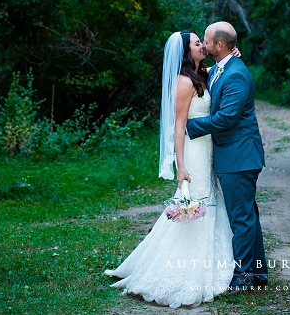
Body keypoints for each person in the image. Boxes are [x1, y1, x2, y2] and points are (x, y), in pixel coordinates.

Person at [105, 30, 235, 307]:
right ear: (187, 52)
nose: (202, 45)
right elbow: (178, 127)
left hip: (207, 149)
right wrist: (181, 167)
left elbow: (219, 68)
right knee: (195, 204)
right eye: (197, 43)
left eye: (203, 41)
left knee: (205, 201)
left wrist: (232, 55)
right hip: (193, 151)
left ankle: (209, 263)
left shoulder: (202, 74)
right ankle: (182, 270)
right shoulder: (185, 82)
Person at [187, 21, 267, 291]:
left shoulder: (236, 74)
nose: (204, 45)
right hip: (235, 155)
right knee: (247, 214)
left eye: (207, 41)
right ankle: (258, 272)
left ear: (219, 45)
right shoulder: (223, 67)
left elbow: (226, 118)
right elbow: (205, 74)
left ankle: (244, 278)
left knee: (241, 218)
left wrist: (190, 126)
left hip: (239, 156)